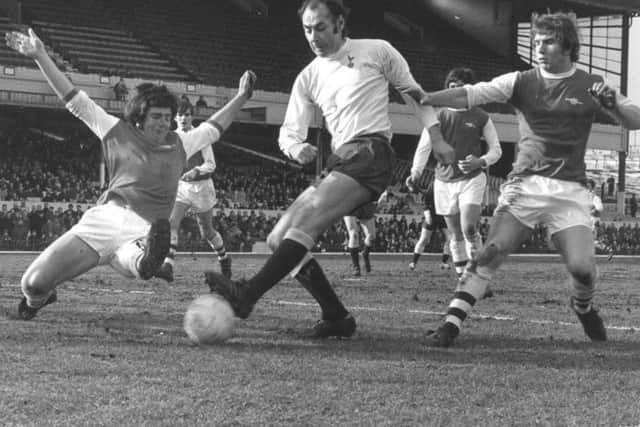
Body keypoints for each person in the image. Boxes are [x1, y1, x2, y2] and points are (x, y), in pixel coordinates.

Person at [205, 0, 454, 338]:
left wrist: (437, 139)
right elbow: (289, 132)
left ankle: (248, 294)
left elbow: (416, 97)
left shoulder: (376, 50)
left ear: (339, 22)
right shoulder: (308, 76)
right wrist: (296, 148)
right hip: (341, 159)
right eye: (307, 29)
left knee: (305, 224)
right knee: (278, 239)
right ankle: (336, 316)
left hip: (371, 151)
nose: (313, 36)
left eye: (320, 27)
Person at [420, 12, 640, 347]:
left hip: (570, 191)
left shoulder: (591, 84)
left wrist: (614, 105)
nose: (539, 47)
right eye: (536, 42)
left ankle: (583, 306)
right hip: (526, 185)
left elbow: (635, 121)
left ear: (567, 45)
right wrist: (428, 97)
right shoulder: (520, 81)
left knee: (582, 270)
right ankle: (450, 325)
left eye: (548, 41)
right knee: (491, 251)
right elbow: (472, 93)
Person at [4, 28, 255, 320]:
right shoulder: (116, 131)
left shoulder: (180, 143)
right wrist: (40, 56)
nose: (163, 123)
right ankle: (39, 301)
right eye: (156, 117)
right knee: (32, 284)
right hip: (104, 220)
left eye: (166, 117)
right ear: (139, 118)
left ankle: (149, 259)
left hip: (143, 229)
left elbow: (214, 127)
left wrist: (241, 97)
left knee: (139, 260)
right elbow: (74, 99)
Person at [408, 67, 502, 279]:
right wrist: (415, 172)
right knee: (455, 234)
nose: (455, 92)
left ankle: (477, 275)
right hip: (443, 181)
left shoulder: (481, 116)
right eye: (451, 88)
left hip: (472, 179)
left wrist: (481, 161)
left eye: (460, 89)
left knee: (469, 227)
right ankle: (463, 278)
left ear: (469, 91)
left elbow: (496, 149)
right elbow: (424, 146)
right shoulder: (437, 116)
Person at [155, 101, 232, 283]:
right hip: (182, 188)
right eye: (180, 115)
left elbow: (211, 164)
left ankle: (224, 259)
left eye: (187, 114)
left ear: (192, 117)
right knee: (172, 222)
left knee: (207, 232)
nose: (184, 118)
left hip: (202, 188)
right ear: (175, 117)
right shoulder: (171, 137)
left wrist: (196, 171)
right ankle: (168, 265)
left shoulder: (200, 136)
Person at [407, 181, 451, 271]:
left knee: (449, 239)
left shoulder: (449, 185)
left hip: (443, 215)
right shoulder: (435, 183)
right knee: (424, 239)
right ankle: (413, 262)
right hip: (432, 214)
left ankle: (444, 262)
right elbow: (426, 197)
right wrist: (427, 213)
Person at [343, 201, 376, 276]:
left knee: (372, 236)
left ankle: (365, 254)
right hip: (350, 202)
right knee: (354, 234)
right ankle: (356, 267)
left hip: (365, 203)